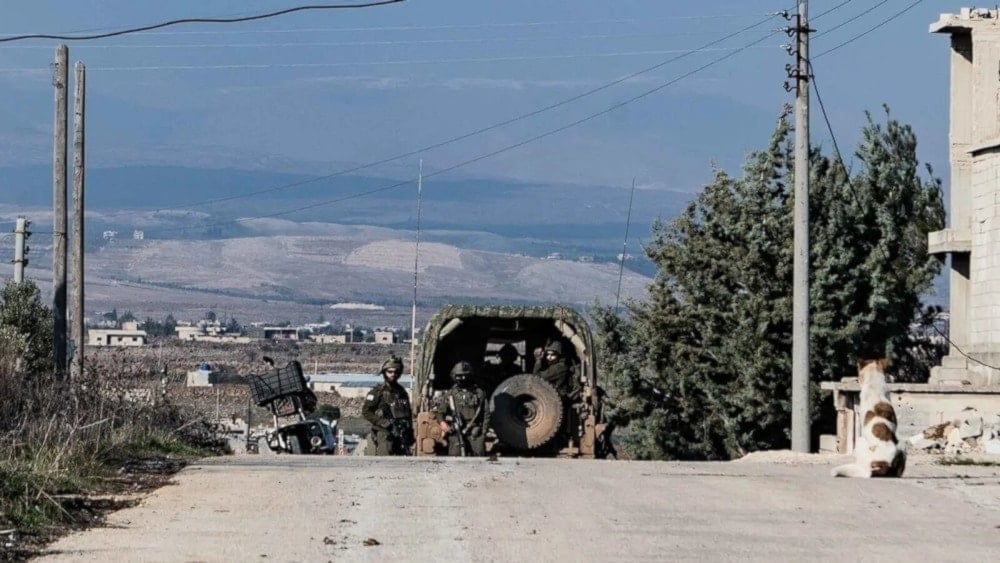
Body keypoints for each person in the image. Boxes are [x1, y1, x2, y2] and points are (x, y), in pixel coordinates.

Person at [362, 355, 413, 455]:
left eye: (396, 372)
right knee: (385, 460)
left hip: (401, 432)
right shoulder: (377, 392)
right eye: (390, 372)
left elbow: (408, 413)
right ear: (384, 372)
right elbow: (366, 412)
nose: (393, 374)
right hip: (384, 432)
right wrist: (382, 422)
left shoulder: (401, 392)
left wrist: (409, 432)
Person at [435, 361, 487, 456]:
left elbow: (486, 414)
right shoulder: (451, 394)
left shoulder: (479, 393)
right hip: (456, 431)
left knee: (479, 457)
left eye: (465, 376)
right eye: (459, 376)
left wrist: (483, 433)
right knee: (455, 457)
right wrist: (442, 423)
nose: (463, 378)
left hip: (474, 431)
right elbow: (440, 412)